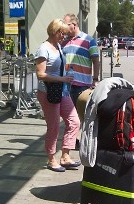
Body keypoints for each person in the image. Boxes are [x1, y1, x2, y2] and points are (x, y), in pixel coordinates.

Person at [34, 19, 80, 172]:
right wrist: (62, 79)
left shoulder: (58, 46)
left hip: (62, 90)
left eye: (65, 34)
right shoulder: (43, 49)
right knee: (53, 127)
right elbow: (40, 74)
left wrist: (66, 76)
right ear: (55, 31)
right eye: (62, 33)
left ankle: (65, 156)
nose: (64, 36)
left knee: (74, 121)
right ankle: (51, 158)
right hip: (48, 92)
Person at [62, 13, 101, 104]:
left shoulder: (89, 40)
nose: (63, 28)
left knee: (81, 115)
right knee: (68, 116)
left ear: (74, 25)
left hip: (82, 86)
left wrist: (95, 79)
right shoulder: (63, 42)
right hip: (66, 85)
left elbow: (96, 61)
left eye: (66, 25)